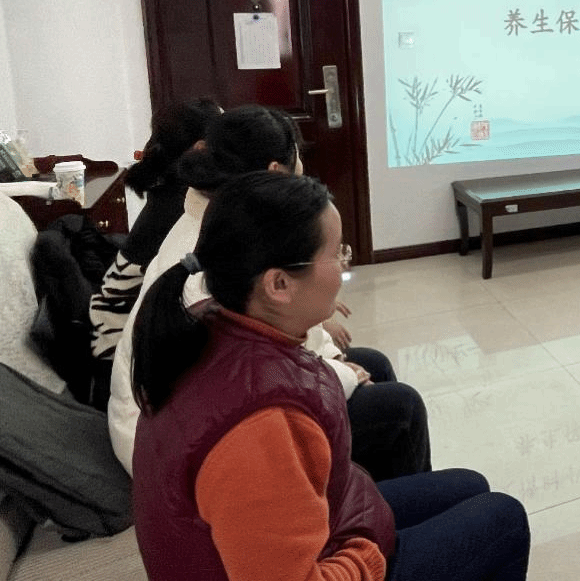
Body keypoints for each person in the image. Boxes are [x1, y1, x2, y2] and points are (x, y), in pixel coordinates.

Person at [131, 171, 530, 581]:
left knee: (469, 485)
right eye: (336, 253)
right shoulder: (260, 429)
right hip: (318, 556)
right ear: (279, 284)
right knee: (504, 517)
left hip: (324, 524)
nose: (344, 265)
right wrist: (367, 551)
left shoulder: (216, 321)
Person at [108, 105, 431, 482]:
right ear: (276, 172)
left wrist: (333, 360)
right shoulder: (221, 255)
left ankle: (374, 488)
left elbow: (271, 343)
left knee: (374, 366)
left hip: (217, 403)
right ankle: (384, 502)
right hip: (189, 452)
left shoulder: (227, 220)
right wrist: (340, 374)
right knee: (402, 407)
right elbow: (255, 372)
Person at [89, 98, 223, 393]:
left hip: (125, 335)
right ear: (202, 147)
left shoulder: (173, 189)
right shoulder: (185, 202)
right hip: (121, 354)